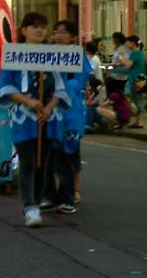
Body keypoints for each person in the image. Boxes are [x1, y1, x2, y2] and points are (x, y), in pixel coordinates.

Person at [0, 12, 70, 227]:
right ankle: (30, 206)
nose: (39, 30)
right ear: (24, 30)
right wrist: (28, 102)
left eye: (43, 27)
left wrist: (48, 106)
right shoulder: (13, 55)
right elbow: (5, 86)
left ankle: (36, 201)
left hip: (47, 116)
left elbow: (61, 86)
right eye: (34, 26)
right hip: (23, 117)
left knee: (42, 163)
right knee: (28, 160)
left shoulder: (54, 55)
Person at [41, 20, 90, 214]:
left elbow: (78, 83)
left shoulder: (78, 56)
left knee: (66, 158)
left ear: (72, 37)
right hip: (49, 114)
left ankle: (68, 196)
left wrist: (58, 88)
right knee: (48, 158)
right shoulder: (48, 54)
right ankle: (50, 196)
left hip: (69, 115)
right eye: (56, 32)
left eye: (63, 32)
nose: (58, 35)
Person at [119, 35, 146, 128]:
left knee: (132, 98)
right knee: (137, 98)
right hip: (140, 79)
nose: (126, 44)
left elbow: (128, 65)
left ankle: (138, 120)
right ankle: (139, 121)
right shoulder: (141, 53)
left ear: (133, 43)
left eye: (128, 42)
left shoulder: (135, 53)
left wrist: (121, 56)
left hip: (134, 79)